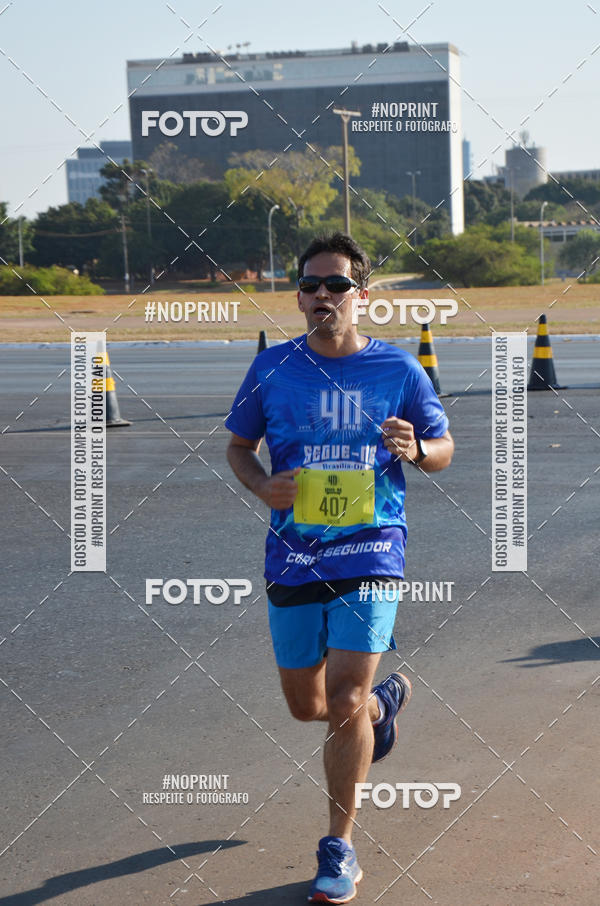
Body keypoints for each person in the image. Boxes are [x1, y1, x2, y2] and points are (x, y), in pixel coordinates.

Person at [225, 233, 453, 903]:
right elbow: (239, 447)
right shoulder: (272, 368)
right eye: (311, 285)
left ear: (362, 295)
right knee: (311, 708)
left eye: (336, 285)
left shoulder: (400, 370)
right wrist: (262, 485)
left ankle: (339, 846)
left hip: (372, 550)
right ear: (298, 295)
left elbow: (443, 450)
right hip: (293, 555)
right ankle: (380, 712)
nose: (322, 295)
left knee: (344, 698)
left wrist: (417, 448)